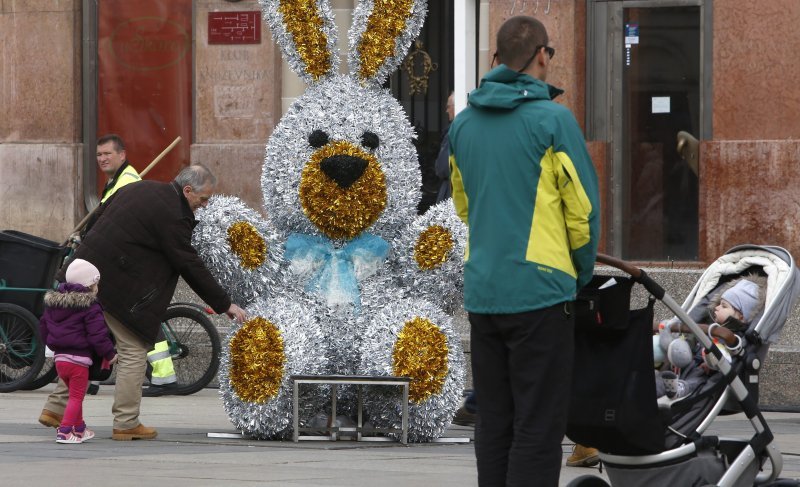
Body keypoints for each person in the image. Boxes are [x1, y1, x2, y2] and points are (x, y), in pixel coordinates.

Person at [448, 15, 600, 486]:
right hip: (540, 292)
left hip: (484, 291)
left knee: (494, 417)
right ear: (542, 56)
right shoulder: (554, 120)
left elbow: (463, 204)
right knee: (538, 421)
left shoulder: (464, 125)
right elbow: (582, 212)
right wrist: (580, 273)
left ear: (495, 60)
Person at [38, 164, 247, 441]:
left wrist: (82, 263)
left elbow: (97, 216)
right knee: (134, 349)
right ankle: (126, 421)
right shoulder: (174, 214)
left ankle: (55, 409)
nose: (204, 205)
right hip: (116, 287)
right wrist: (225, 303)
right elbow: (187, 262)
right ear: (187, 190)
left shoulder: (139, 187)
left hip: (83, 274)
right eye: (203, 198)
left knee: (84, 344)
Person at [88, 134, 178, 397]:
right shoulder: (115, 181)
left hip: (125, 265)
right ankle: (94, 375)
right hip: (115, 261)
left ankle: (163, 378)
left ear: (122, 155)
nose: (102, 159)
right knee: (104, 315)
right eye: (99, 155)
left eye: (108, 154)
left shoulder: (127, 182)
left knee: (136, 319)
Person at [39, 258, 118, 444]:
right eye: (96, 283)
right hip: (79, 361)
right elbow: (98, 335)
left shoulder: (54, 304)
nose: (97, 287)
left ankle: (80, 428)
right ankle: (65, 431)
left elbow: (43, 326)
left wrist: (52, 344)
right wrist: (110, 354)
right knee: (76, 397)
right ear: (89, 285)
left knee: (75, 394)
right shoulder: (90, 306)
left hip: (60, 361)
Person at [656, 277, 763, 399]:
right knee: (667, 373)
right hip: (691, 361)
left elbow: (729, 357)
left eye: (724, 306)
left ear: (740, 316)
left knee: (697, 380)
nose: (717, 307)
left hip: (707, 369)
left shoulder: (735, 337)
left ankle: (681, 389)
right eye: (718, 304)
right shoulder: (711, 327)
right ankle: (654, 386)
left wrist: (713, 363)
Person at [434, 92, 456, 203]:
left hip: (451, 189)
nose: (447, 111)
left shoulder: (453, 132)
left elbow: (443, 168)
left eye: (448, 106)